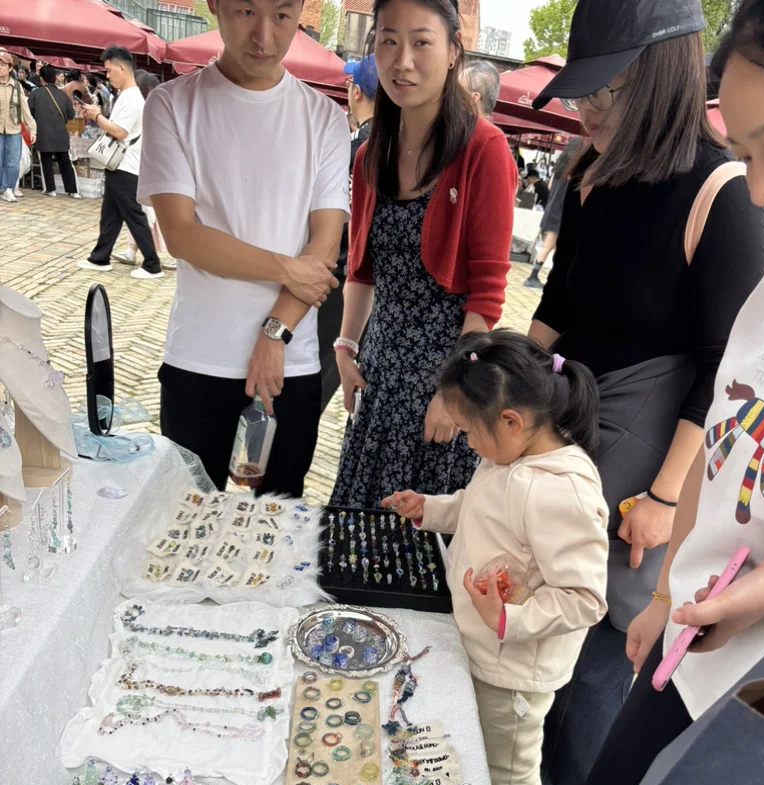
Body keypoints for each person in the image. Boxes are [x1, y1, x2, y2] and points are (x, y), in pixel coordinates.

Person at [533, 3, 764, 785]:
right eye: (752, 152)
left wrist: (739, 582)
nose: (763, 188)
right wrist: (678, 580)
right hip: (695, 625)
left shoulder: (718, 202)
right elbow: (731, 425)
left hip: (755, 672)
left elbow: (699, 398)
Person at [386, 330, 608, 785]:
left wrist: (511, 619)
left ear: (510, 420)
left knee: (509, 769)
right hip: (484, 645)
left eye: (468, 432)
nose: (467, 444)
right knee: (481, 746)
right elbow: (476, 507)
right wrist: (429, 509)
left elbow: (584, 597)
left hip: (515, 670)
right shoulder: (509, 457)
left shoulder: (560, 491)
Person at [138, 0, 349, 496]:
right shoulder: (172, 104)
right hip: (199, 356)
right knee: (186, 516)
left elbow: (324, 245)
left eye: (282, 16)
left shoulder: (324, 118)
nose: (264, 37)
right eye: (245, 12)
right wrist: (287, 268)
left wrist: (274, 334)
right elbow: (182, 235)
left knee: (278, 521)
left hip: (291, 361)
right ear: (215, 4)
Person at [330, 0, 517, 510]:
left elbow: (488, 294)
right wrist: (346, 347)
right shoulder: (371, 154)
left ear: (454, 50)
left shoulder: (483, 149)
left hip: (442, 384)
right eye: (388, 41)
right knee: (360, 526)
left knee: (419, 534)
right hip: (377, 376)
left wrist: (457, 393)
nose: (403, 60)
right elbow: (361, 270)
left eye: (421, 42)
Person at [317, 53, 379, 413]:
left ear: (356, 92)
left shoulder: (355, 150)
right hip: (378, 291)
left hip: (341, 278)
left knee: (318, 381)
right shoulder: (404, 151)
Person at [76, 46, 162, 281]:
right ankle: (100, 257)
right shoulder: (126, 96)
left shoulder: (132, 98)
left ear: (122, 68)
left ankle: (152, 264)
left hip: (126, 166)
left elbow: (120, 132)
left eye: (109, 70)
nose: (107, 75)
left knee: (133, 215)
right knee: (111, 214)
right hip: (121, 164)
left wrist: (97, 116)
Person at [113, 71, 175, 271]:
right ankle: (132, 249)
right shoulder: (150, 110)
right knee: (141, 212)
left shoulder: (155, 112)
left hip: (155, 171)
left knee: (154, 214)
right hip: (143, 168)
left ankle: (173, 254)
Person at [523, 137, 579, 290]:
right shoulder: (574, 170)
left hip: (552, 208)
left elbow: (548, 186)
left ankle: (548, 277)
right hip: (562, 211)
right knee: (552, 246)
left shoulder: (558, 168)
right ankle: (534, 277)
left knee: (553, 246)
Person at [28, 65, 81, 199]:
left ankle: (50, 189)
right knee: (65, 161)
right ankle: (73, 191)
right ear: (54, 78)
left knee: (46, 161)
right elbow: (71, 114)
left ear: (41, 78)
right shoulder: (63, 95)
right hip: (61, 133)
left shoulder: (35, 94)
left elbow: (29, 113)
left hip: (43, 132)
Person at [0, 51, 36, 204]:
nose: (0, 67)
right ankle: (2, 187)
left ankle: (7, 188)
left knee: (13, 162)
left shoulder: (17, 86)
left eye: (3, 65)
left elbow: (25, 109)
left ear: (10, 68)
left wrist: (32, 129)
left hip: (14, 129)